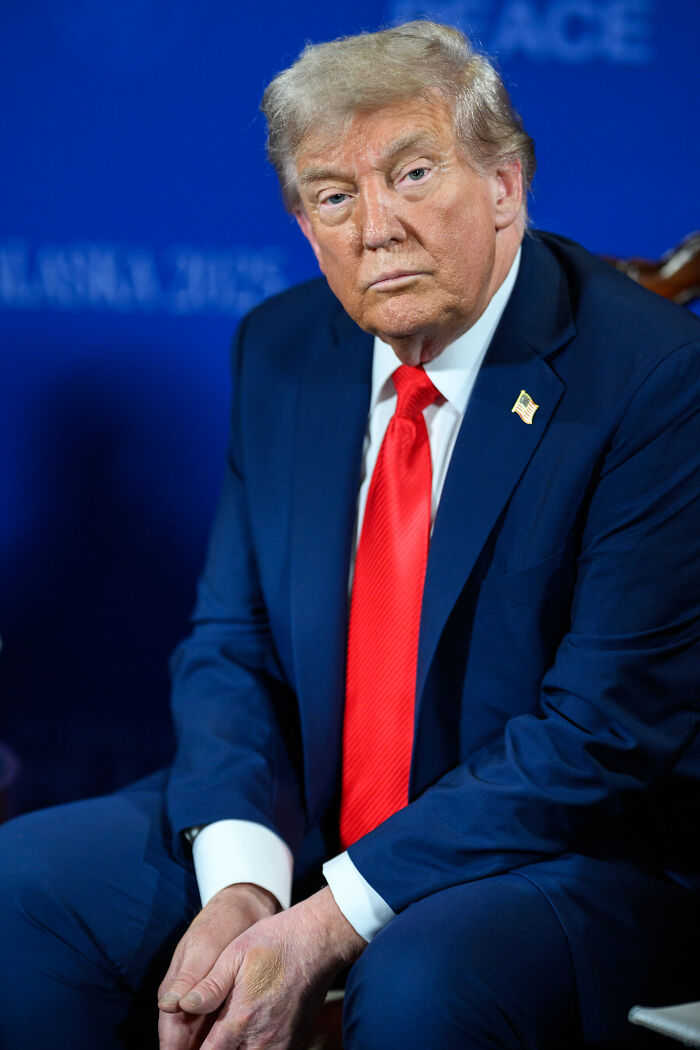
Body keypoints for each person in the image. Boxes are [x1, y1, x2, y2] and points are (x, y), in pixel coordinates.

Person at [1, 20, 700, 1050]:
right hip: (321, 811)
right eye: (333, 195)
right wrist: (242, 886)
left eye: (413, 174)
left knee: (422, 980)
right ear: (302, 221)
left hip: (571, 847)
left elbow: (600, 736)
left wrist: (329, 919)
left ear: (505, 184)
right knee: (29, 885)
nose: (376, 227)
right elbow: (230, 642)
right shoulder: (283, 348)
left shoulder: (649, 377)